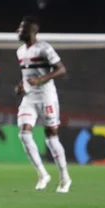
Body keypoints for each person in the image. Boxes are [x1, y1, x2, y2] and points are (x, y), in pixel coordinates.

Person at [15, 16, 72, 193]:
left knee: (51, 137)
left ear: (32, 31)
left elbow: (61, 69)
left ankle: (64, 177)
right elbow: (27, 74)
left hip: (47, 97)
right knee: (24, 134)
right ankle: (42, 174)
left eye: (22, 28)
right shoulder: (20, 51)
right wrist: (21, 85)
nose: (18, 31)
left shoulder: (44, 48)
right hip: (29, 98)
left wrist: (41, 79)